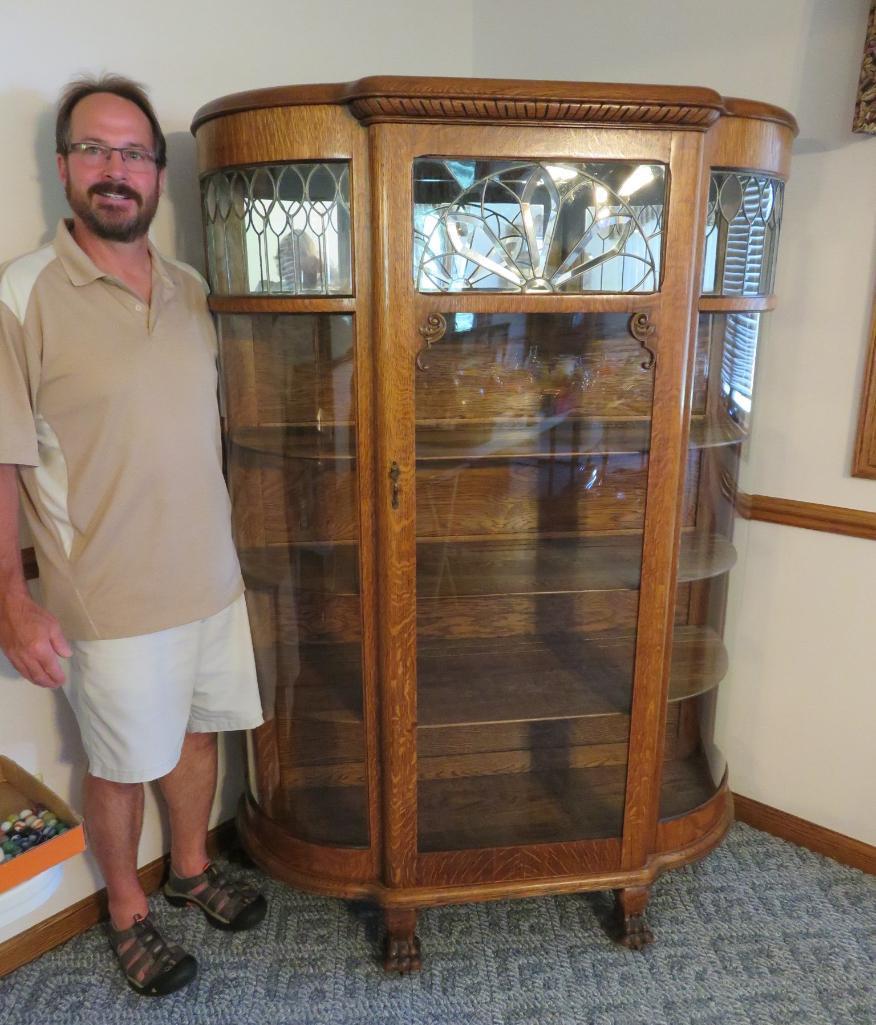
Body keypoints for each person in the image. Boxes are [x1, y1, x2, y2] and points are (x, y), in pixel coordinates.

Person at [0, 74, 266, 997]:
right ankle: (126, 908)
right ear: (64, 167)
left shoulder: (192, 290)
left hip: (210, 580)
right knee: (119, 767)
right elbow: (1, 462)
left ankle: (189, 871)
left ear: (157, 172)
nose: (115, 170)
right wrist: (11, 597)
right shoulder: (22, 295)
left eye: (133, 153)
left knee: (198, 742)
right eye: (94, 151)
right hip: (106, 600)